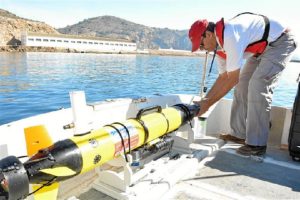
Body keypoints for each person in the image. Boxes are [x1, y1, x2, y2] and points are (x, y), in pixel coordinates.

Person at [189, 12, 297, 156]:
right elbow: (223, 78)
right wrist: (205, 102)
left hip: (281, 42)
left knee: (258, 85)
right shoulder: (219, 47)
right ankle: (239, 133)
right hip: (260, 50)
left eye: (201, 45)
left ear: (208, 34)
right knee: (242, 85)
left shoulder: (230, 35)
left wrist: (207, 105)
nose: (202, 49)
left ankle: (257, 144)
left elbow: (232, 79)